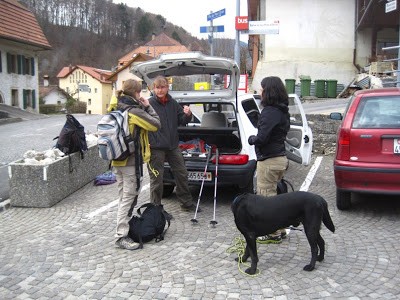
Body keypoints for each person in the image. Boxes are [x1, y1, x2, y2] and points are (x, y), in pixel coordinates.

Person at [112, 79, 161, 250]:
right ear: (136, 93)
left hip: (117, 159)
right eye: (140, 92)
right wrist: (147, 106)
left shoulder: (115, 106)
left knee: (123, 197)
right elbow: (156, 124)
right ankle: (121, 237)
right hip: (131, 162)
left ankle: (123, 228)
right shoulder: (133, 111)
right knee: (129, 198)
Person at [248, 76, 290, 244]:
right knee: (275, 198)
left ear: (268, 91)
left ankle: (272, 233)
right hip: (280, 159)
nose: (260, 91)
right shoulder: (282, 110)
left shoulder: (269, 112)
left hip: (269, 161)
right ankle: (279, 230)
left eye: (262, 88)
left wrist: (252, 139)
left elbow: (262, 138)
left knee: (266, 200)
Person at [147, 75, 198, 213]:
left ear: (167, 88)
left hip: (173, 146)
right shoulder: (149, 104)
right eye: (157, 87)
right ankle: (155, 209)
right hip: (156, 147)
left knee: (182, 173)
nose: (160, 90)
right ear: (154, 89)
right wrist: (148, 143)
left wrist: (188, 114)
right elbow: (143, 125)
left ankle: (186, 203)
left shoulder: (173, 103)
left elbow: (182, 120)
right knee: (156, 179)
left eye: (162, 87)